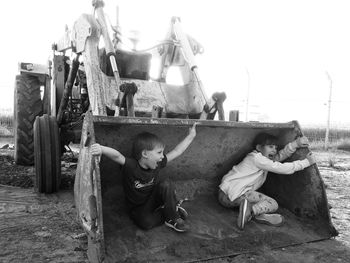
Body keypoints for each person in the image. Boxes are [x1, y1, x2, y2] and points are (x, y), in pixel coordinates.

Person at [91, 123, 197, 233]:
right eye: (159, 152)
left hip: (153, 199)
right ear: (145, 154)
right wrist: (101, 149)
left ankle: (173, 218)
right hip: (138, 208)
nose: (162, 156)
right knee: (146, 223)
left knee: (166, 184)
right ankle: (170, 210)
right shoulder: (132, 166)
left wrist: (190, 136)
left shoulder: (158, 163)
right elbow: (117, 156)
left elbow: (177, 151)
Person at [218, 132, 316, 230]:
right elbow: (280, 167)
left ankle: (257, 215)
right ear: (259, 148)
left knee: (257, 202)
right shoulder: (257, 158)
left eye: (275, 147)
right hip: (232, 195)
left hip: (228, 196)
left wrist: (295, 144)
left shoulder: (262, 159)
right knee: (272, 203)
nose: (274, 150)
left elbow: (279, 157)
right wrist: (306, 162)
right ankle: (251, 212)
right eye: (270, 146)